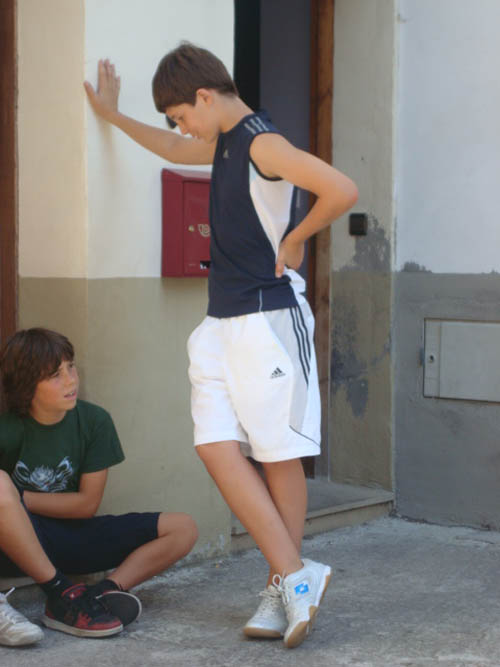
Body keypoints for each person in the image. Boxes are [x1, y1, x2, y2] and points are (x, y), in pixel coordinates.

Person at [84, 42, 358, 649]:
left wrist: (297, 238)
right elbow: (173, 149)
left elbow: (341, 189)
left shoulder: (261, 142)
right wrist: (112, 116)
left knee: (277, 456)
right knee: (214, 445)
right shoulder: (225, 143)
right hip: (220, 323)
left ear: (205, 96)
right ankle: (295, 574)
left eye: (182, 114)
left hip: (267, 318)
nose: (182, 128)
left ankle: (282, 584)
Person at [0, 327, 198, 645]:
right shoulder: (8, 429)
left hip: (74, 536)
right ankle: (60, 593)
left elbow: (86, 505)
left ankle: (99, 595)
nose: (70, 381)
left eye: (71, 367)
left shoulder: (94, 421)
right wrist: (12, 503)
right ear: (27, 386)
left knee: (183, 527)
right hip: (19, 543)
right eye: (55, 375)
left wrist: (19, 499)